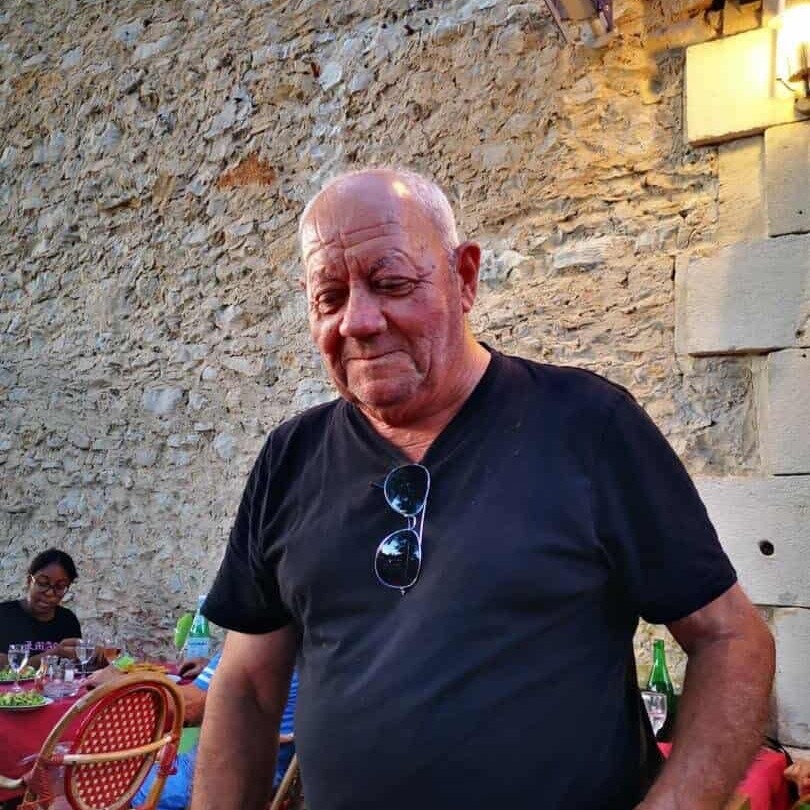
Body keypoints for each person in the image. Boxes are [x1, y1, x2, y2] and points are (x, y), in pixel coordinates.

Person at [191, 168, 775, 810]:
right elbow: (247, 688)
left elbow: (731, 640)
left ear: (464, 278)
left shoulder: (588, 426)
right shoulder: (290, 458)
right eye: (329, 297)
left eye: (392, 283)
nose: (358, 321)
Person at [85, 654, 298, 810]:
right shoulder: (299, 642)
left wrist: (120, 681)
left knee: (103, 778)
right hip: (271, 775)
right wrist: (211, 665)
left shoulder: (257, 632)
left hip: (216, 782)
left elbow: (188, 707)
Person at [0, 548, 81, 668]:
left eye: (60, 587)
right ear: (29, 581)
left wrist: (97, 657)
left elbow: (76, 667)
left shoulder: (68, 620)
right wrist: (51, 656)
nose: (50, 592)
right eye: (43, 583)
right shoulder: (3, 614)